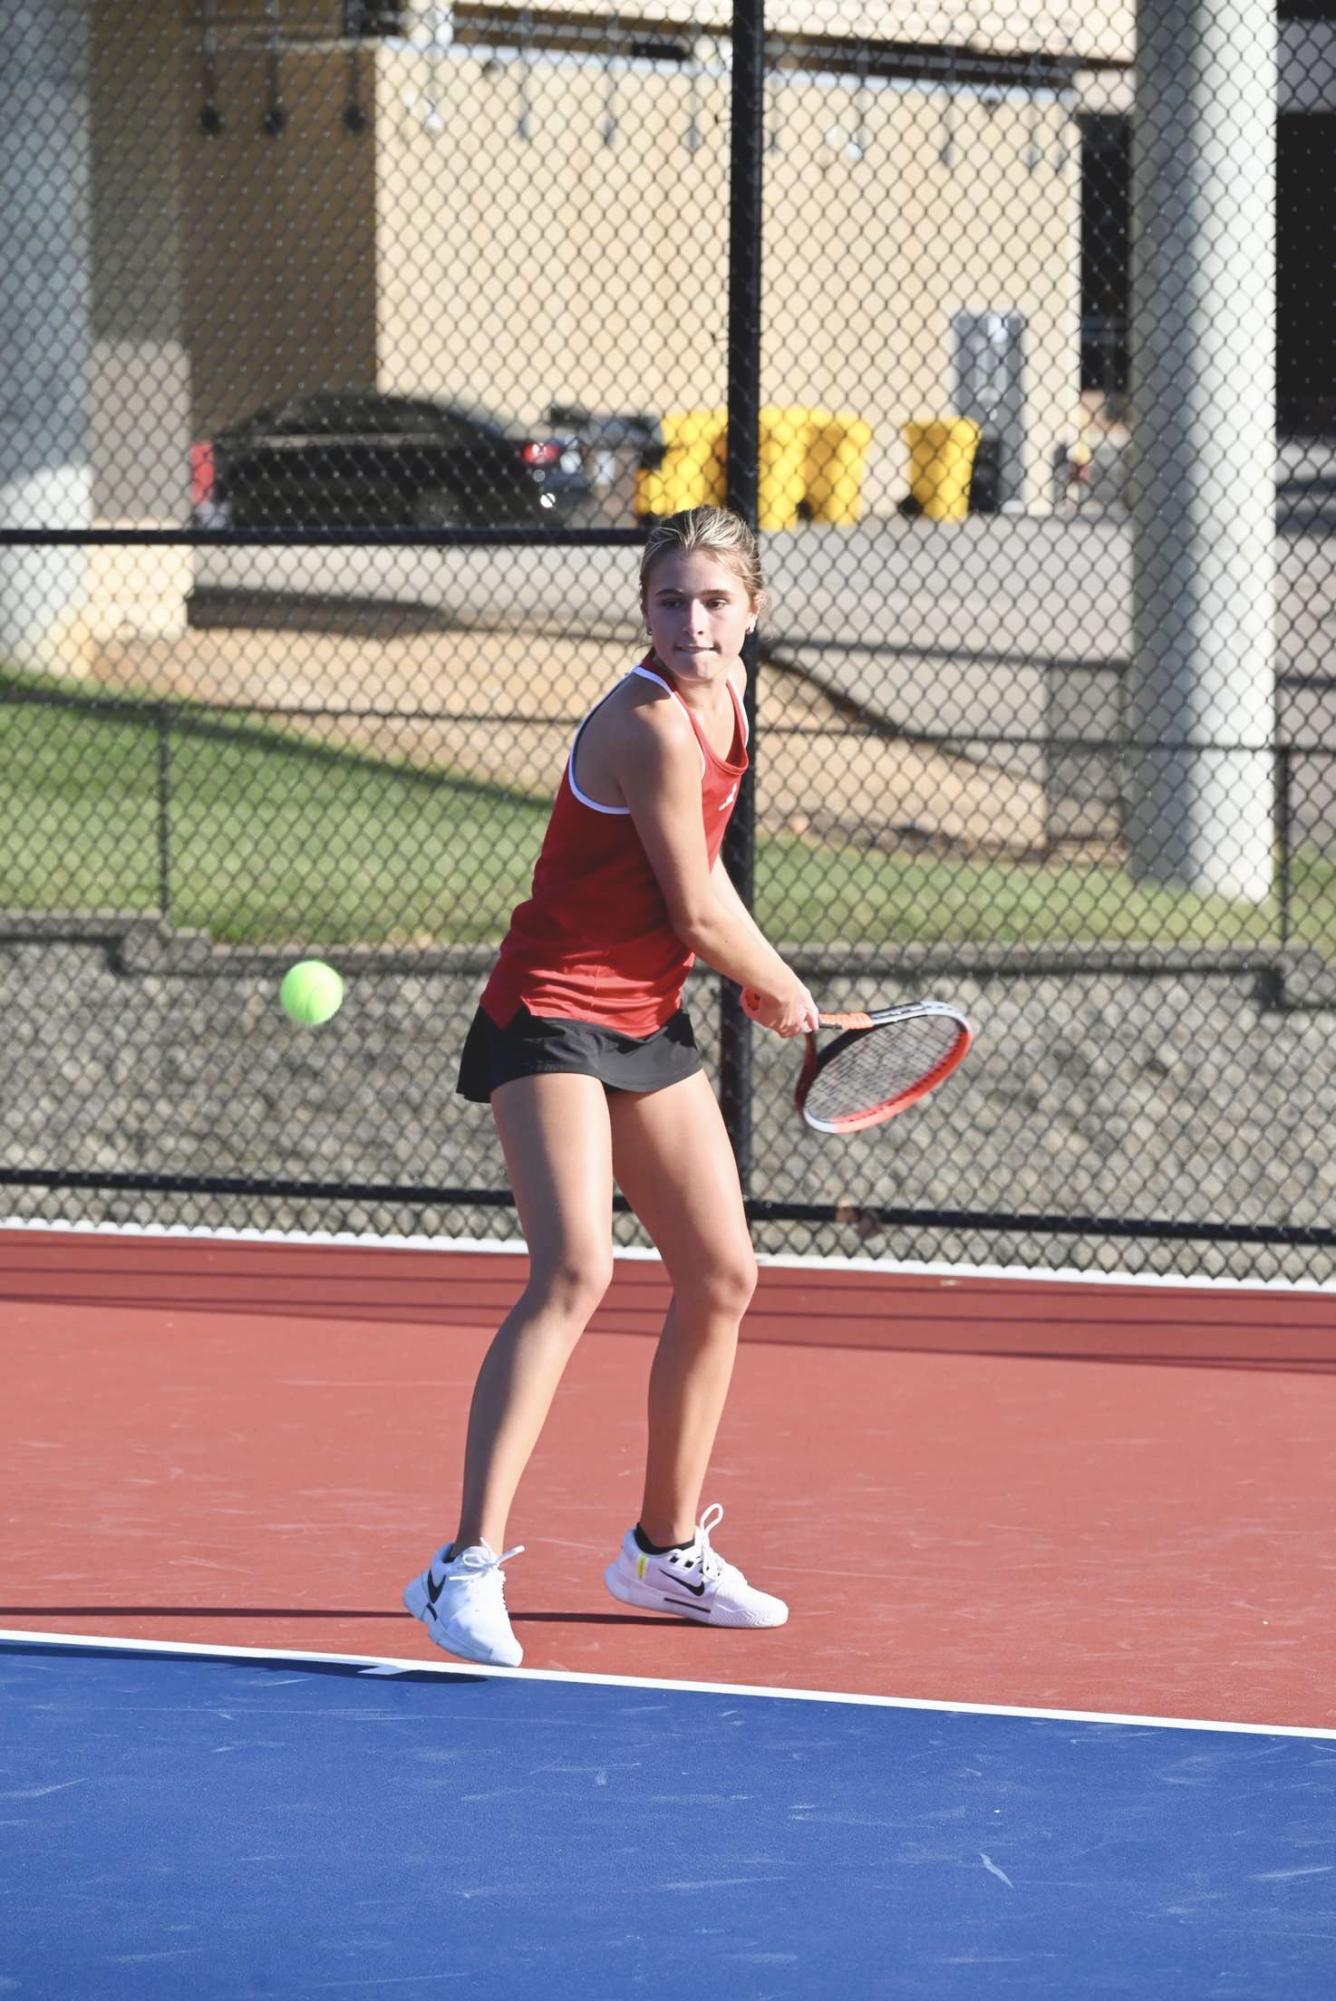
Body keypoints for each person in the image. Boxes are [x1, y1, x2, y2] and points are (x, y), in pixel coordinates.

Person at [403, 505, 819, 1668]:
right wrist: (777, 984)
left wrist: (745, 976)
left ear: (753, 612)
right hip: (547, 1010)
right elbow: (693, 904)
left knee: (722, 1274)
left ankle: (661, 1552)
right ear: (643, 611)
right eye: (671, 601)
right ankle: (461, 1569)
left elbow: (694, 902)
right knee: (576, 1266)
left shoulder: (729, 704)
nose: (693, 621)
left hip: (638, 1016)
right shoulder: (646, 724)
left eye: (715, 602)